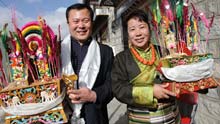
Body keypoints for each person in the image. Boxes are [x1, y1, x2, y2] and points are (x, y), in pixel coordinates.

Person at [111, 10, 180, 124]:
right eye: (132, 29)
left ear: (150, 28)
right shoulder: (121, 58)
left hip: (170, 115)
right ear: (128, 33)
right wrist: (150, 92)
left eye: (142, 27)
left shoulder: (163, 51)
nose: (138, 33)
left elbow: (178, 76)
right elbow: (119, 89)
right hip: (140, 119)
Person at [61, 3, 114, 124]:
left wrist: (94, 95)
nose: (81, 26)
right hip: (64, 116)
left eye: (85, 21)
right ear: (68, 23)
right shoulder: (56, 52)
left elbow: (112, 84)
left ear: (92, 22)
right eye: (76, 21)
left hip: (95, 116)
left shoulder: (105, 51)